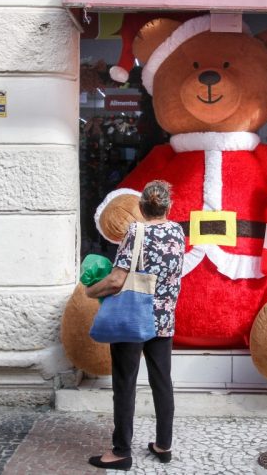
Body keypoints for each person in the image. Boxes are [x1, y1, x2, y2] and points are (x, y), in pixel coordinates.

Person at [85, 180, 185, 471]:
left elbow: (117, 280)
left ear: (141, 207)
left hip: (133, 319)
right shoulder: (178, 232)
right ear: (169, 206)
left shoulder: (136, 231)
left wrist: (91, 292)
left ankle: (121, 452)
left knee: (125, 384)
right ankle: (163, 445)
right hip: (164, 320)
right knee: (162, 382)